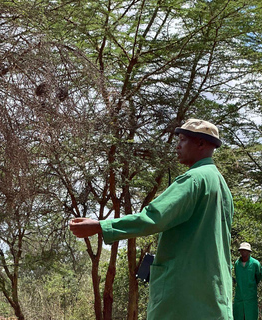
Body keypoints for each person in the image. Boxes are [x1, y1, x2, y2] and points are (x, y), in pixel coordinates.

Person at [69, 119, 234, 319]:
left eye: (182, 140)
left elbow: (153, 218)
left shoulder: (193, 180)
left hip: (184, 296)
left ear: (201, 144)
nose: (177, 145)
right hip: (212, 294)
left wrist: (100, 225)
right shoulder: (220, 183)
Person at [233, 242, 261, 320]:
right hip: (239, 295)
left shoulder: (255, 263)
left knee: (251, 316)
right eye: (241, 250)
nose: (243, 252)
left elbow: (258, 277)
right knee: (238, 316)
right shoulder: (237, 264)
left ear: (249, 251)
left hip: (251, 296)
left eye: (245, 250)